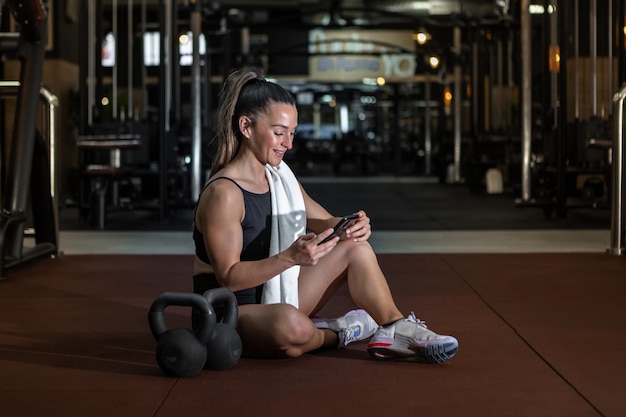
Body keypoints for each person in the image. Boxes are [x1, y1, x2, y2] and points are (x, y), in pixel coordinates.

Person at [192, 66, 458, 363]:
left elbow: (326, 221)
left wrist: (351, 226)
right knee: (289, 326)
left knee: (356, 249)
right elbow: (229, 278)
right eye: (279, 133)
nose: (289, 144)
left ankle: (395, 327)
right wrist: (289, 258)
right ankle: (338, 331)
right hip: (228, 309)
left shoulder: (279, 178)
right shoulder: (224, 193)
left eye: (292, 133)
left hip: (279, 295)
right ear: (246, 127)